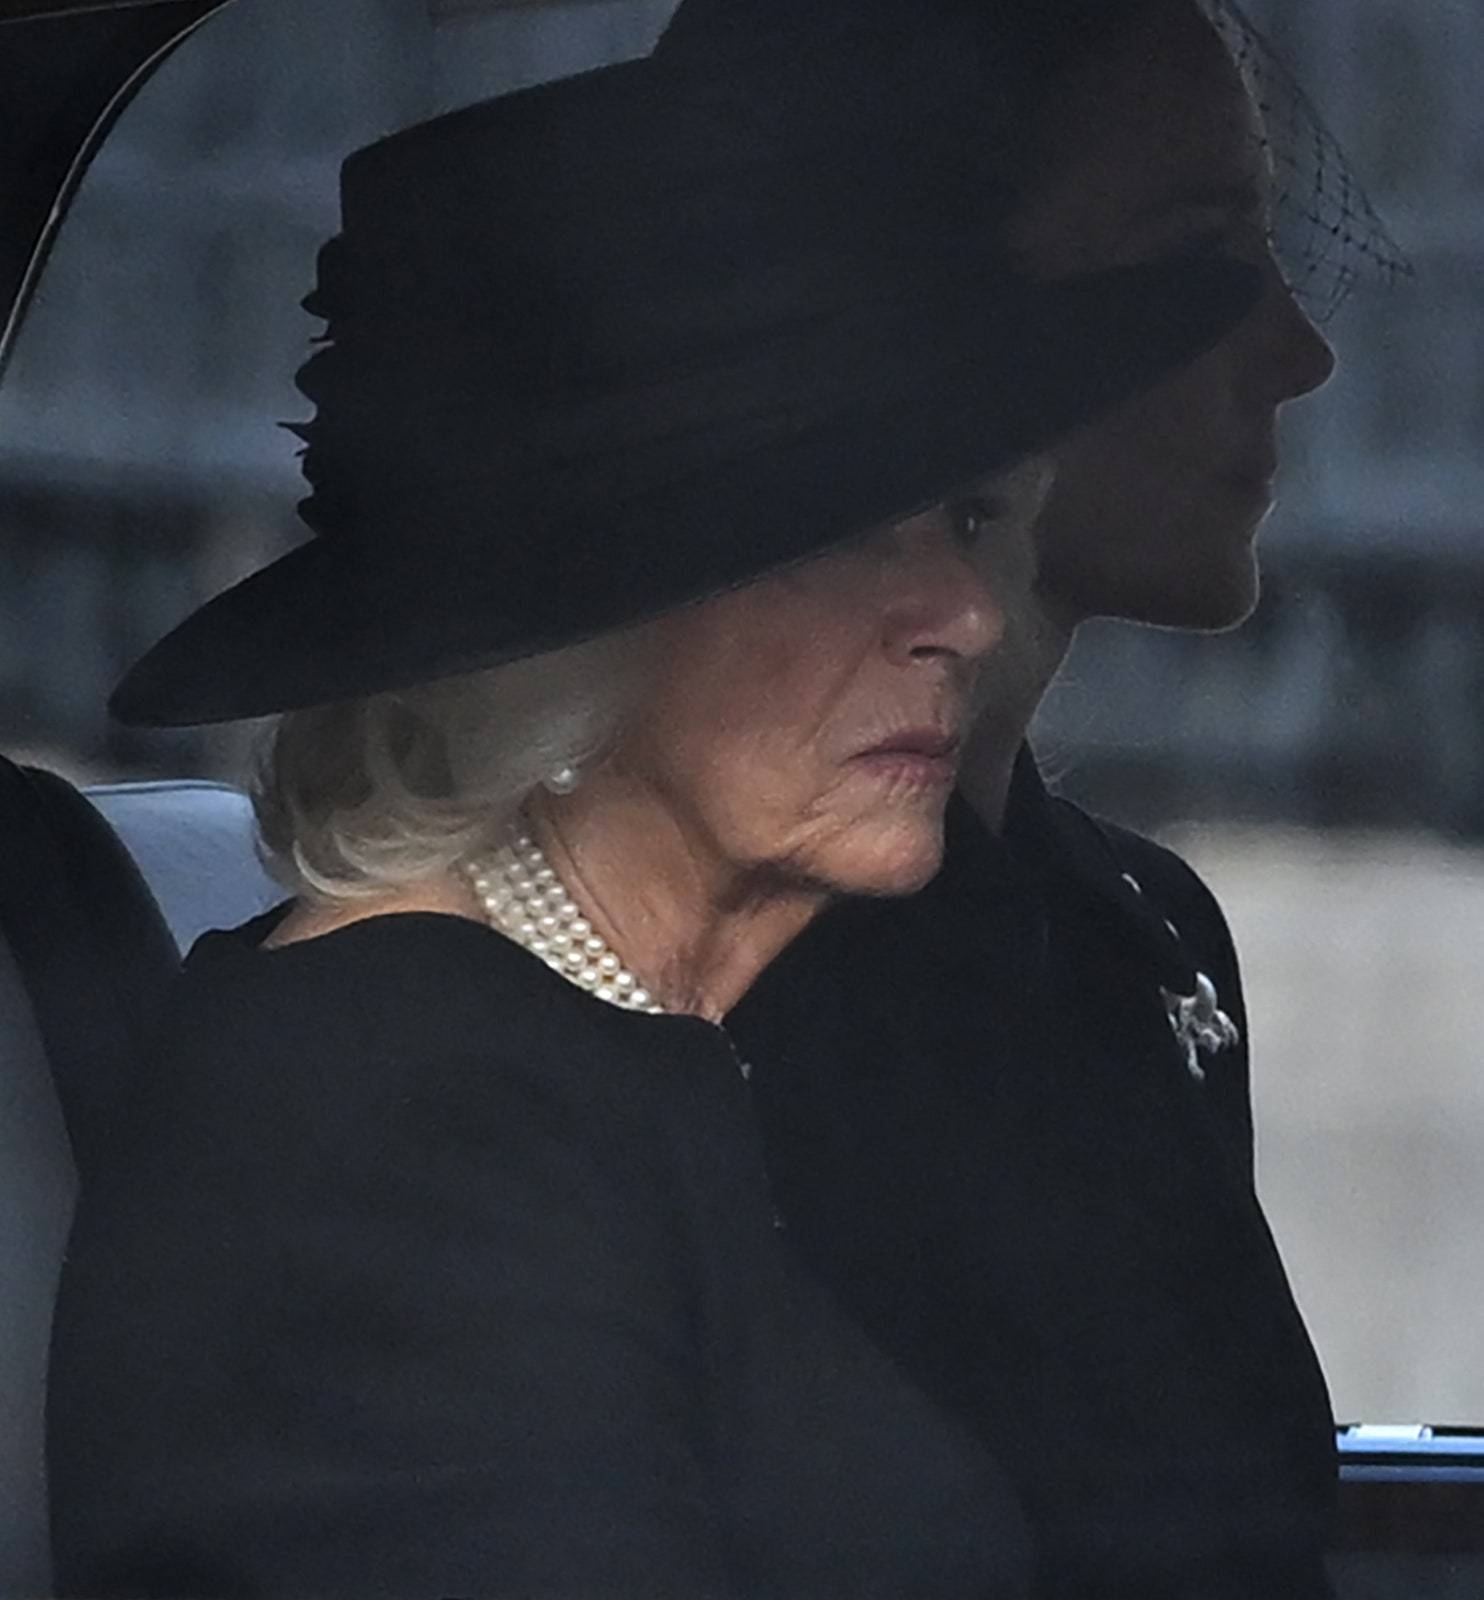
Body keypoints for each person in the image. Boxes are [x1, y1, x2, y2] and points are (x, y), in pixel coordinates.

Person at [45, 1, 1266, 1596]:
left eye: (969, 523)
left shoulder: (638, 1047)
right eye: (836, 535)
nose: (962, 618)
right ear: (561, 635)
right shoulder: (398, 1112)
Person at [727, 2, 1350, 1596]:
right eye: (1195, 246)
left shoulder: (1144, 939)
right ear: (914, 311)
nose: (1297, 351)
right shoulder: (691, 981)